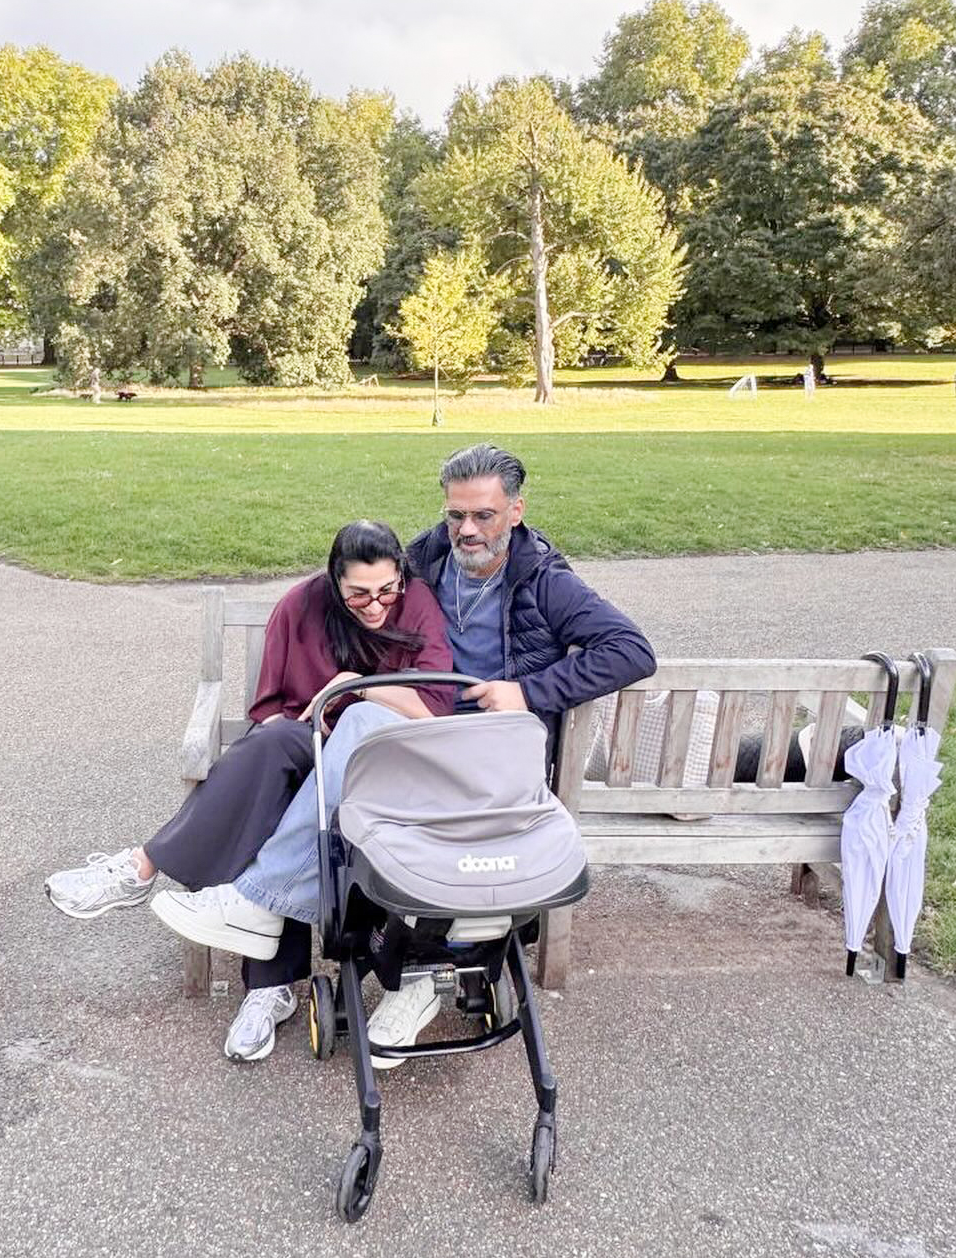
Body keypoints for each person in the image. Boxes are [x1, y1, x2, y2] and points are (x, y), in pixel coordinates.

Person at [153, 443, 656, 1066]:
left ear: (516, 511)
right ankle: (315, 966)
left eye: (484, 515)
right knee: (329, 766)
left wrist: (527, 692)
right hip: (418, 736)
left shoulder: (546, 583)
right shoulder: (431, 557)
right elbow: (357, 583)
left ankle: (284, 916)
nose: (467, 530)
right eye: (455, 514)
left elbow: (631, 650)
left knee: (359, 743)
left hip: (488, 755)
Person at [45, 521, 453, 1061]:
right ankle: (267, 984)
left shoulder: (416, 603)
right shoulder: (298, 607)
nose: (376, 605)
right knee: (273, 761)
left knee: (285, 785)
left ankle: (188, 900)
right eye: (359, 594)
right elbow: (272, 713)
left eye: (386, 590)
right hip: (308, 743)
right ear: (335, 581)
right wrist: (318, 728)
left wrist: (355, 687)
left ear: (400, 576)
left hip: (384, 761)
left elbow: (434, 709)